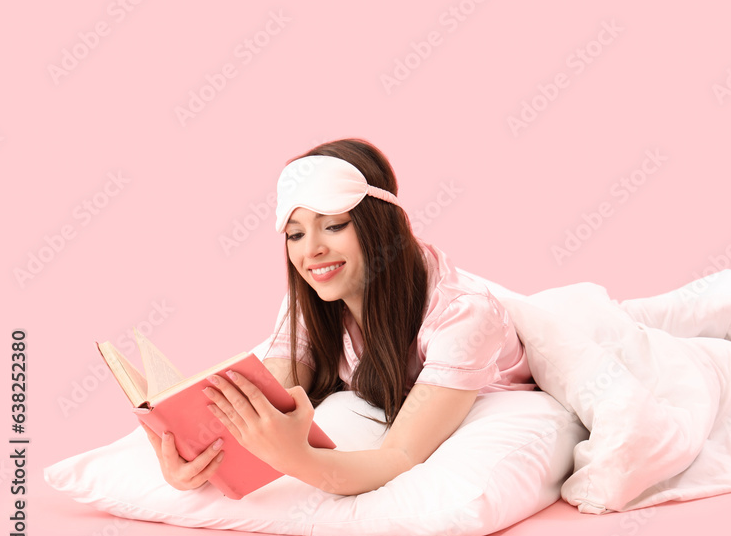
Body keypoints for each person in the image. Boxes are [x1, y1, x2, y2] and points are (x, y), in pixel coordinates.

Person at [141, 138, 537, 496]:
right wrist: (195, 462)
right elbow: (266, 402)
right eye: (295, 234)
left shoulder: (464, 316)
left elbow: (399, 457)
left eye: (332, 226)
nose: (311, 251)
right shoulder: (311, 305)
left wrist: (300, 461)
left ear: (379, 226)